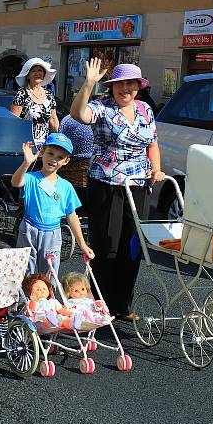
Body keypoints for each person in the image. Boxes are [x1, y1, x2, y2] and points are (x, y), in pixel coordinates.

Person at [69, 59, 165, 321]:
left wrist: (156, 169)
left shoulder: (145, 109)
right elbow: (79, 114)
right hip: (107, 183)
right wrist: (88, 83)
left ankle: (123, 305)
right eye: (121, 83)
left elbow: (153, 144)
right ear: (112, 87)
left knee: (132, 246)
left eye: (131, 84)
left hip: (137, 184)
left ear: (138, 87)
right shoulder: (102, 107)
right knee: (108, 245)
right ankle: (100, 306)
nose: (126, 88)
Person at [11, 133, 93, 275]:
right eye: (51, 153)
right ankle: (23, 297)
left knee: (50, 273)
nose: (54, 159)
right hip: (29, 228)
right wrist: (27, 163)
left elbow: (72, 216)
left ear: (66, 161)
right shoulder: (31, 178)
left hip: (53, 233)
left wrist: (83, 245)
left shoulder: (66, 187)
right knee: (24, 270)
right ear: (42, 152)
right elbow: (15, 182)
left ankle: (49, 297)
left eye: (60, 157)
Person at [10, 57, 60, 147]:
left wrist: (56, 140)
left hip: (45, 146)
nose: (37, 73)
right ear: (28, 75)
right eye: (33, 71)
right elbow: (13, 121)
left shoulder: (49, 94)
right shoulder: (22, 93)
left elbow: (53, 119)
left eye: (40, 70)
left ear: (44, 74)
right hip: (26, 145)